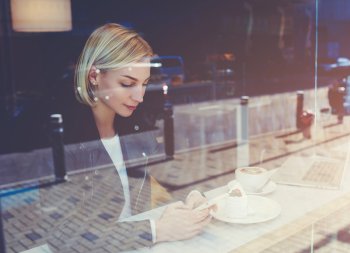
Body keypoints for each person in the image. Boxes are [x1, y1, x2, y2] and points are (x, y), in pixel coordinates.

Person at [3, 23, 212, 253]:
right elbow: (64, 236)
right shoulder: (63, 135)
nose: (140, 96)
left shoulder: (132, 124)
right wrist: (155, 231)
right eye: (127, 84)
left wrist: (190, 198)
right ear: (94, 76)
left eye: (144, 84)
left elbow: (150, 184)